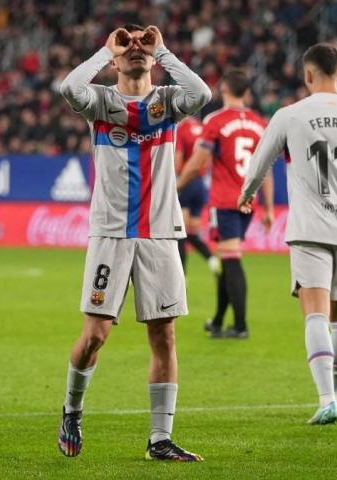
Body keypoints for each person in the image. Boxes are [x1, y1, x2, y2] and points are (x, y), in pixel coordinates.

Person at [57, 24, 210, 461]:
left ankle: (159, 439)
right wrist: (106, 51)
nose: (134, 51)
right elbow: (70, 87)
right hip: (110, 234)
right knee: (96, 336)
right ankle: (71, 409)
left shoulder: (166, 101)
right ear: (116, 60)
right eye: (128, 49)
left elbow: (202, 94)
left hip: (160, 233)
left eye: (141, 47)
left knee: (165, 335)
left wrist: (163, 52)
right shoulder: (102, 101)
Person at [238, 43, 337, 425]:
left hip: (309, 230)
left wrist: (246, 195)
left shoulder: (289, 115)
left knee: (315, 312)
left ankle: (326, 397)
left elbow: (260, 161)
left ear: (307, 75)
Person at [176, 68, 273, 339]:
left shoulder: (216, 120)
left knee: (231, 262)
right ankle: (218, 321)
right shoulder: (259, 123)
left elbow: (196, 163)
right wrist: (266, 207)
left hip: (225, 200)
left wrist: (176, 187)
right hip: (248, 202)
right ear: (248, 92)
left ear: (223, 90)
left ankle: (240, 326)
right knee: (226, 259)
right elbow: (265, 168)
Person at [174, 115, 217, 273]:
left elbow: (178, 160)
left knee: (180, 234)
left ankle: (182, 275)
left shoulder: (181, 129)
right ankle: (211, 259)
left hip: (186, 181)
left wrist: (175, 178)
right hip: (200, 183)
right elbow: (209, 156)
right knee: (192, 233)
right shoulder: (202, 127)